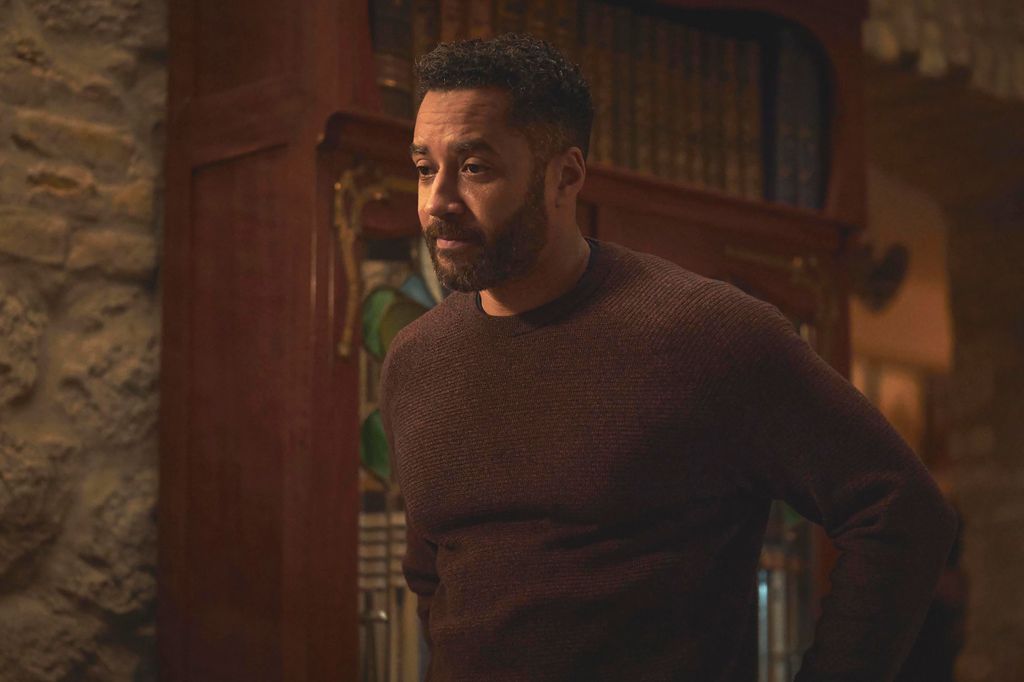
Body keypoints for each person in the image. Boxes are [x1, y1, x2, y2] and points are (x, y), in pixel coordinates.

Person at [379, 33, 957, 681]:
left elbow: (901, 512)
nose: (436, 202)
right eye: (426, 167)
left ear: (564, 177)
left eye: (475, 168)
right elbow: (434, 580)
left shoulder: (705, 333)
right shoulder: (415, 359)